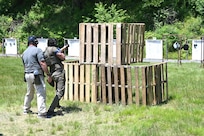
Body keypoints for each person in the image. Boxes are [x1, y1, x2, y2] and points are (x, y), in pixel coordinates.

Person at [22, 36, 52, 118]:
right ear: (35, 43)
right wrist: (48, 74)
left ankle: (26, 109)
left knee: (29, 92)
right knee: (41, 92)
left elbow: (24, 65)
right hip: (36, 75)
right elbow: (42, 63)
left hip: (27, 73)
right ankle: (42, 113)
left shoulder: (24, 52)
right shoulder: (37, 50)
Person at [44, 38, 68, 117]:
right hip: (59, 72)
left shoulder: (46, 51)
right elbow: (61, 56)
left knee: (57, 89)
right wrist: (63, 55)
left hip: (52, 72)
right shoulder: (55, 49)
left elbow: (53, 55)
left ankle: (57, 105)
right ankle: (51, 110)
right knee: (60, 92)